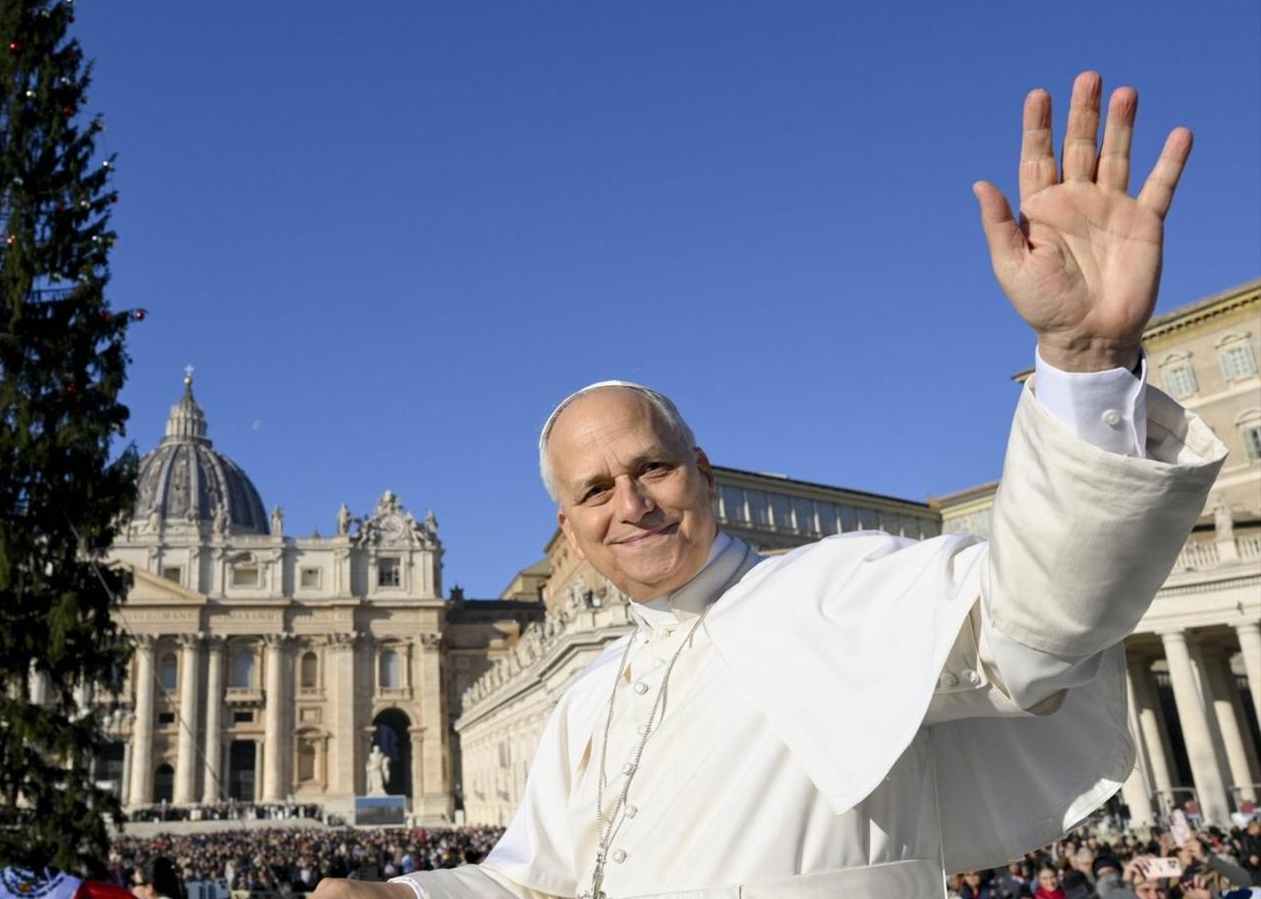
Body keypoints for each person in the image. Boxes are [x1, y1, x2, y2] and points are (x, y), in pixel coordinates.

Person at [314, 70, 1226, 899]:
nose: (628, 505)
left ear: (702, 472)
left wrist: (1084, 359)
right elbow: (533, 879)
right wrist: (398, 895)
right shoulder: (591, 697)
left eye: (651, 468)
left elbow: (1037, 629)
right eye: (595, 491)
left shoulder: (842, 587)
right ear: (568, 524)